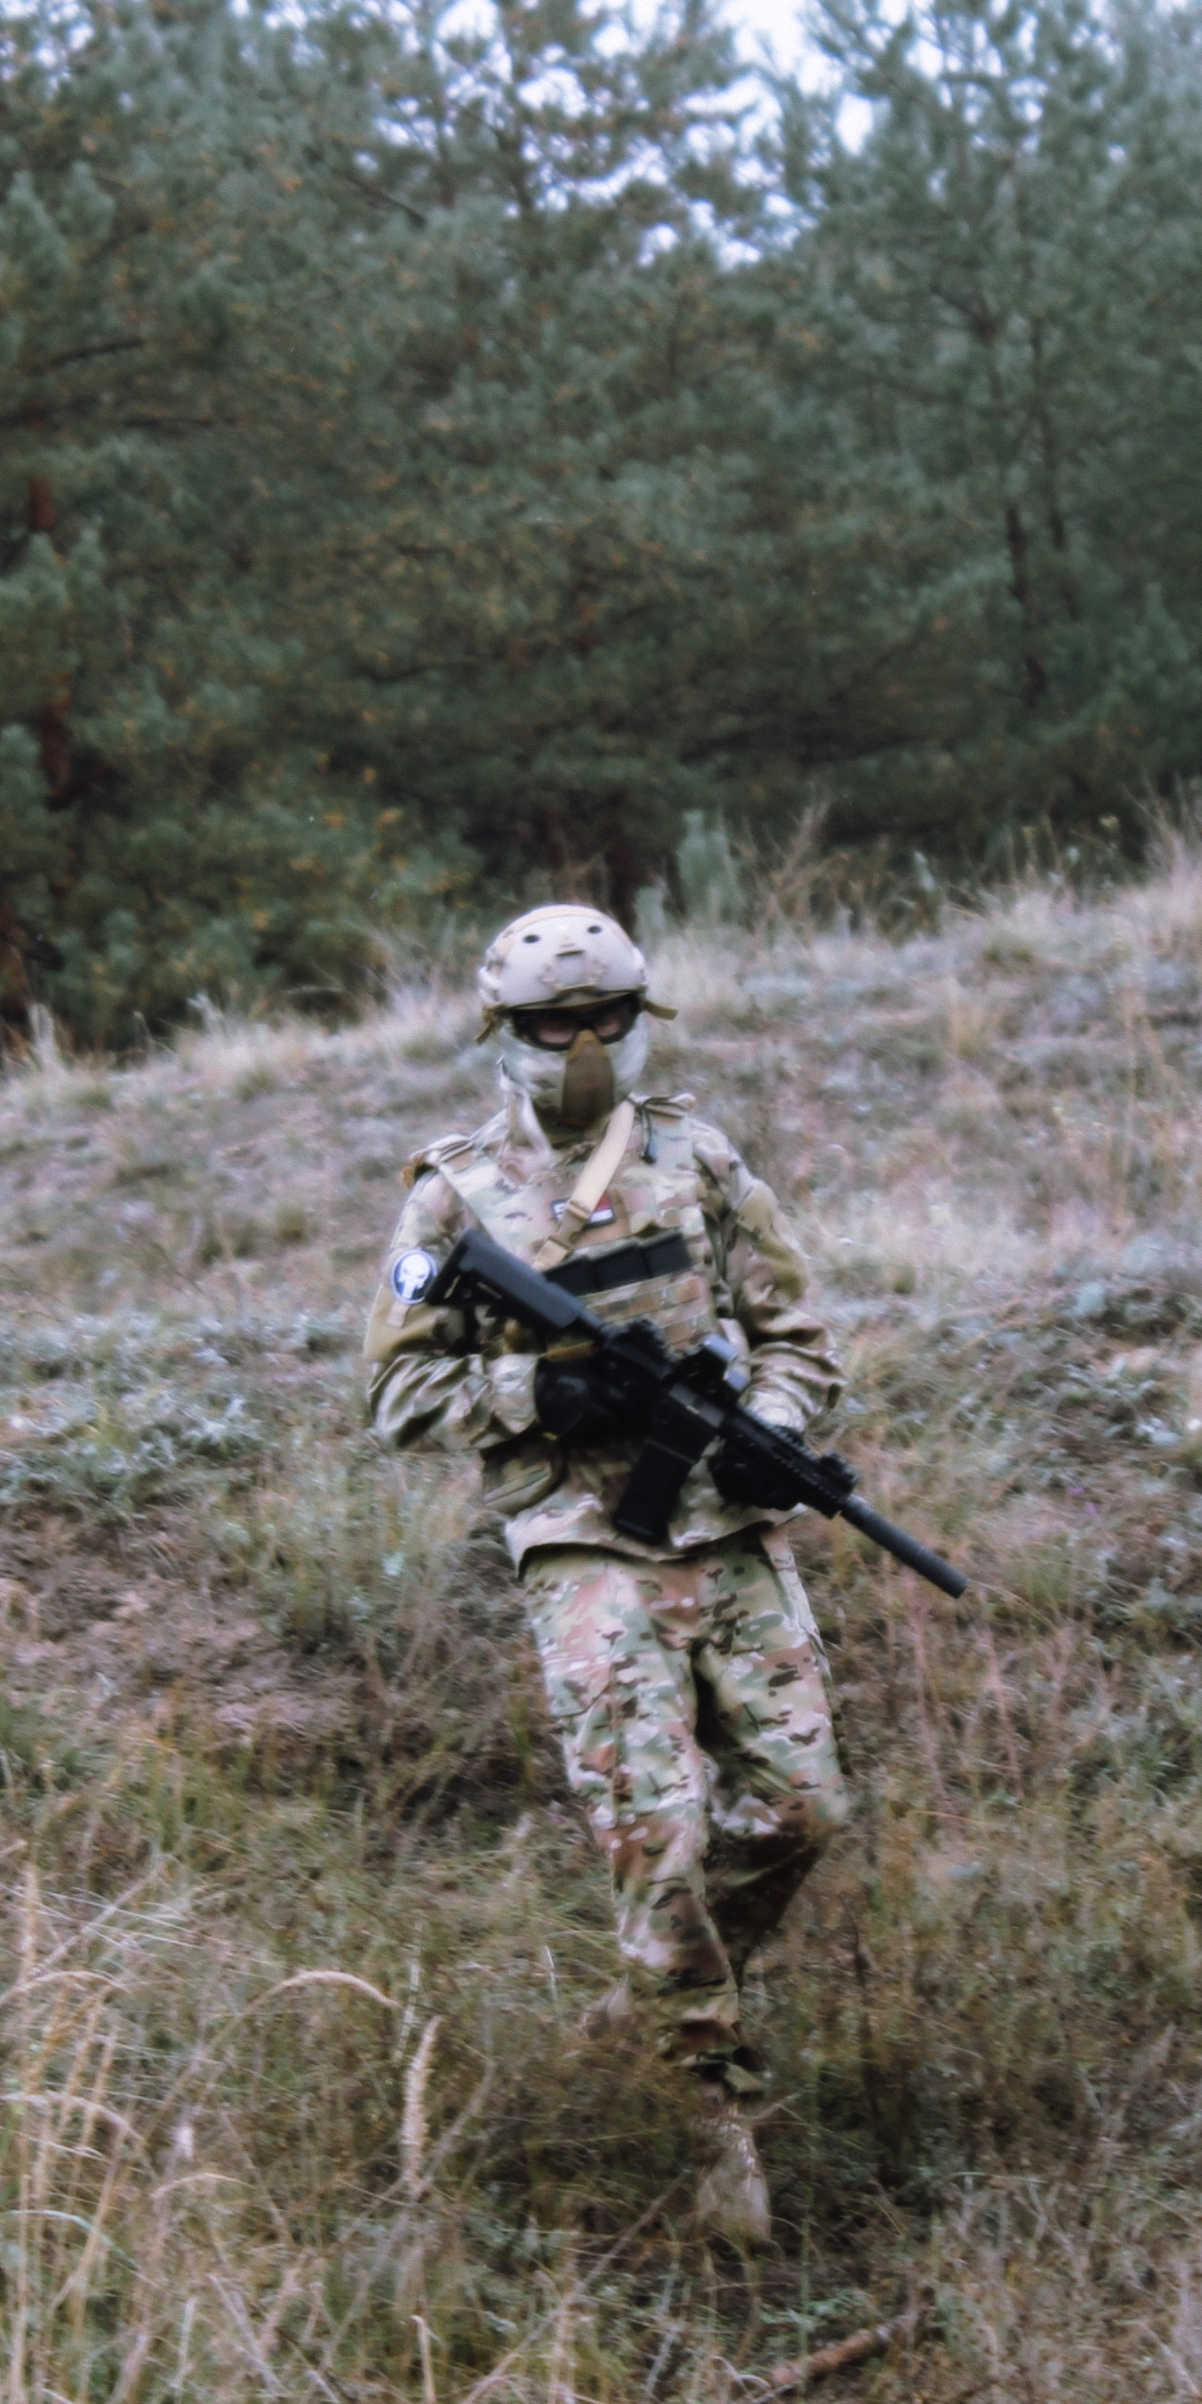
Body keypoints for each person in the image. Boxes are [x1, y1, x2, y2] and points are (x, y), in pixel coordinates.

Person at [361, 902, 856, 2248]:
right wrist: (538, 1395)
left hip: (725, 1527)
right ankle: (712, 2110)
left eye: (606, 1018)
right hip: (582, 1541)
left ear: (642, 1020)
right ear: (505, 1031)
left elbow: (799, 1336)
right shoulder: (453, 1195)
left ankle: (655, 1976)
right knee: (657, 1838)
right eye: (553, 1024)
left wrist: (774, 1430)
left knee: (804, 1810)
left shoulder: (699, 1156)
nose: (582, 1044)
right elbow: (394, 1394)